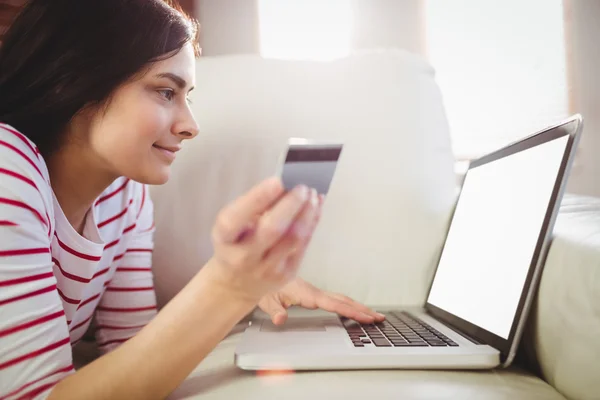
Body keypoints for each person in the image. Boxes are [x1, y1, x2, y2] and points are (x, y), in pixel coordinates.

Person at [0, 1, 384, 398]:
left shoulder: (125, 197)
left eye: (188, 97)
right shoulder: (6, 166)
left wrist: (246, 290)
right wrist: (229, 287)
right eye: (166, 92)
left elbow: (131, 358)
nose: (191, 126)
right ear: (73, 80)